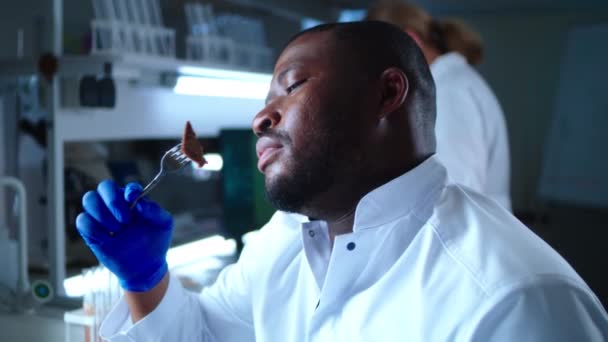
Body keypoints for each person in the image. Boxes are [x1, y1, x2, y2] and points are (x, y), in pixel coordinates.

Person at [76, 21, 608, 341]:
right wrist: (145, 279)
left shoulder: (512, 299)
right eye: (265, 103)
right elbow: (204, 335)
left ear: (387, 94)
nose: (263, 119)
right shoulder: (283, 242)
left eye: (293, 86)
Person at [366, 1, 512, 211]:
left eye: (376, 56)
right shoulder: (450, 84)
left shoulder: (450, 91)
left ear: (411, 41)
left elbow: (458, 192)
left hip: (463, 236)